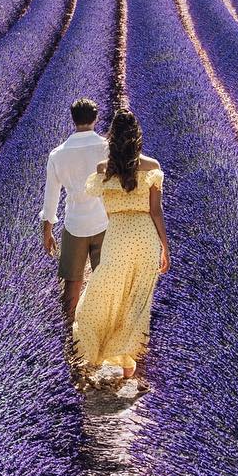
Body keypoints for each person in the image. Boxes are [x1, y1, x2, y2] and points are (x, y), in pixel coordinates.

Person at [73, 107, 169, 383]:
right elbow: (156, 212)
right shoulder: (152, 167)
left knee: (104, 293)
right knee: (138, 301)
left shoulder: (103, 170)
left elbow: (106, 208)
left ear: (112, 137)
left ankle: (90, 351)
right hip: (146, 238)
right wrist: (165, 247)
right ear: (137, 135)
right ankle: (129, 367)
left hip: (117, 237)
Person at [40, 98, 110, 326]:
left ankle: (69, 329)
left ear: (73, 120)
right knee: (105, 279)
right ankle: (102, 328)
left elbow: (51, 196)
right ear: (96, 118)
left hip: (74, 224)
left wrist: (47, 231)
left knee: (73, 280)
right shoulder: (106, 148)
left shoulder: (58, 154)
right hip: (103, 221)